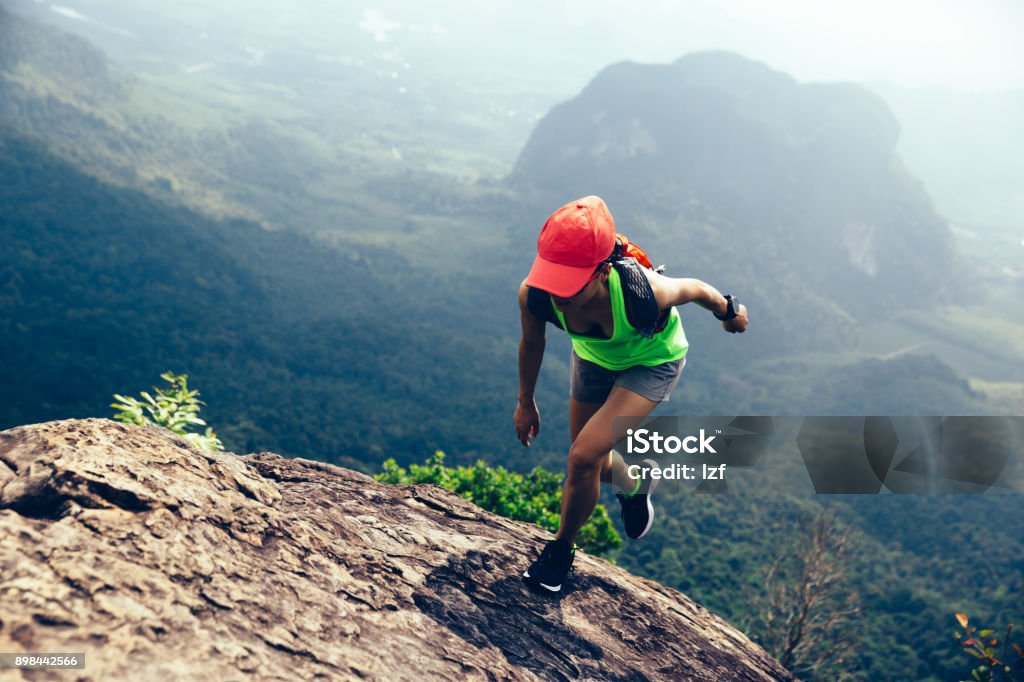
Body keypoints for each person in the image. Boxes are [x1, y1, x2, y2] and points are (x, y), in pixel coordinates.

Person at [515, 195, 748, 594]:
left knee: (582, 457)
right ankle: (637, 481)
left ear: (603, 272)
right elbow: (531, 343)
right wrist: (525, 401)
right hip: (592, 358)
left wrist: (729, 312)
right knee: (592, 460)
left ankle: (560, 552)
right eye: (553, 278)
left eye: (570, 284)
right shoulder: (536, 295)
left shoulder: (645, 292)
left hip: (652, 362)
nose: (559, 294)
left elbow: (694, 289)